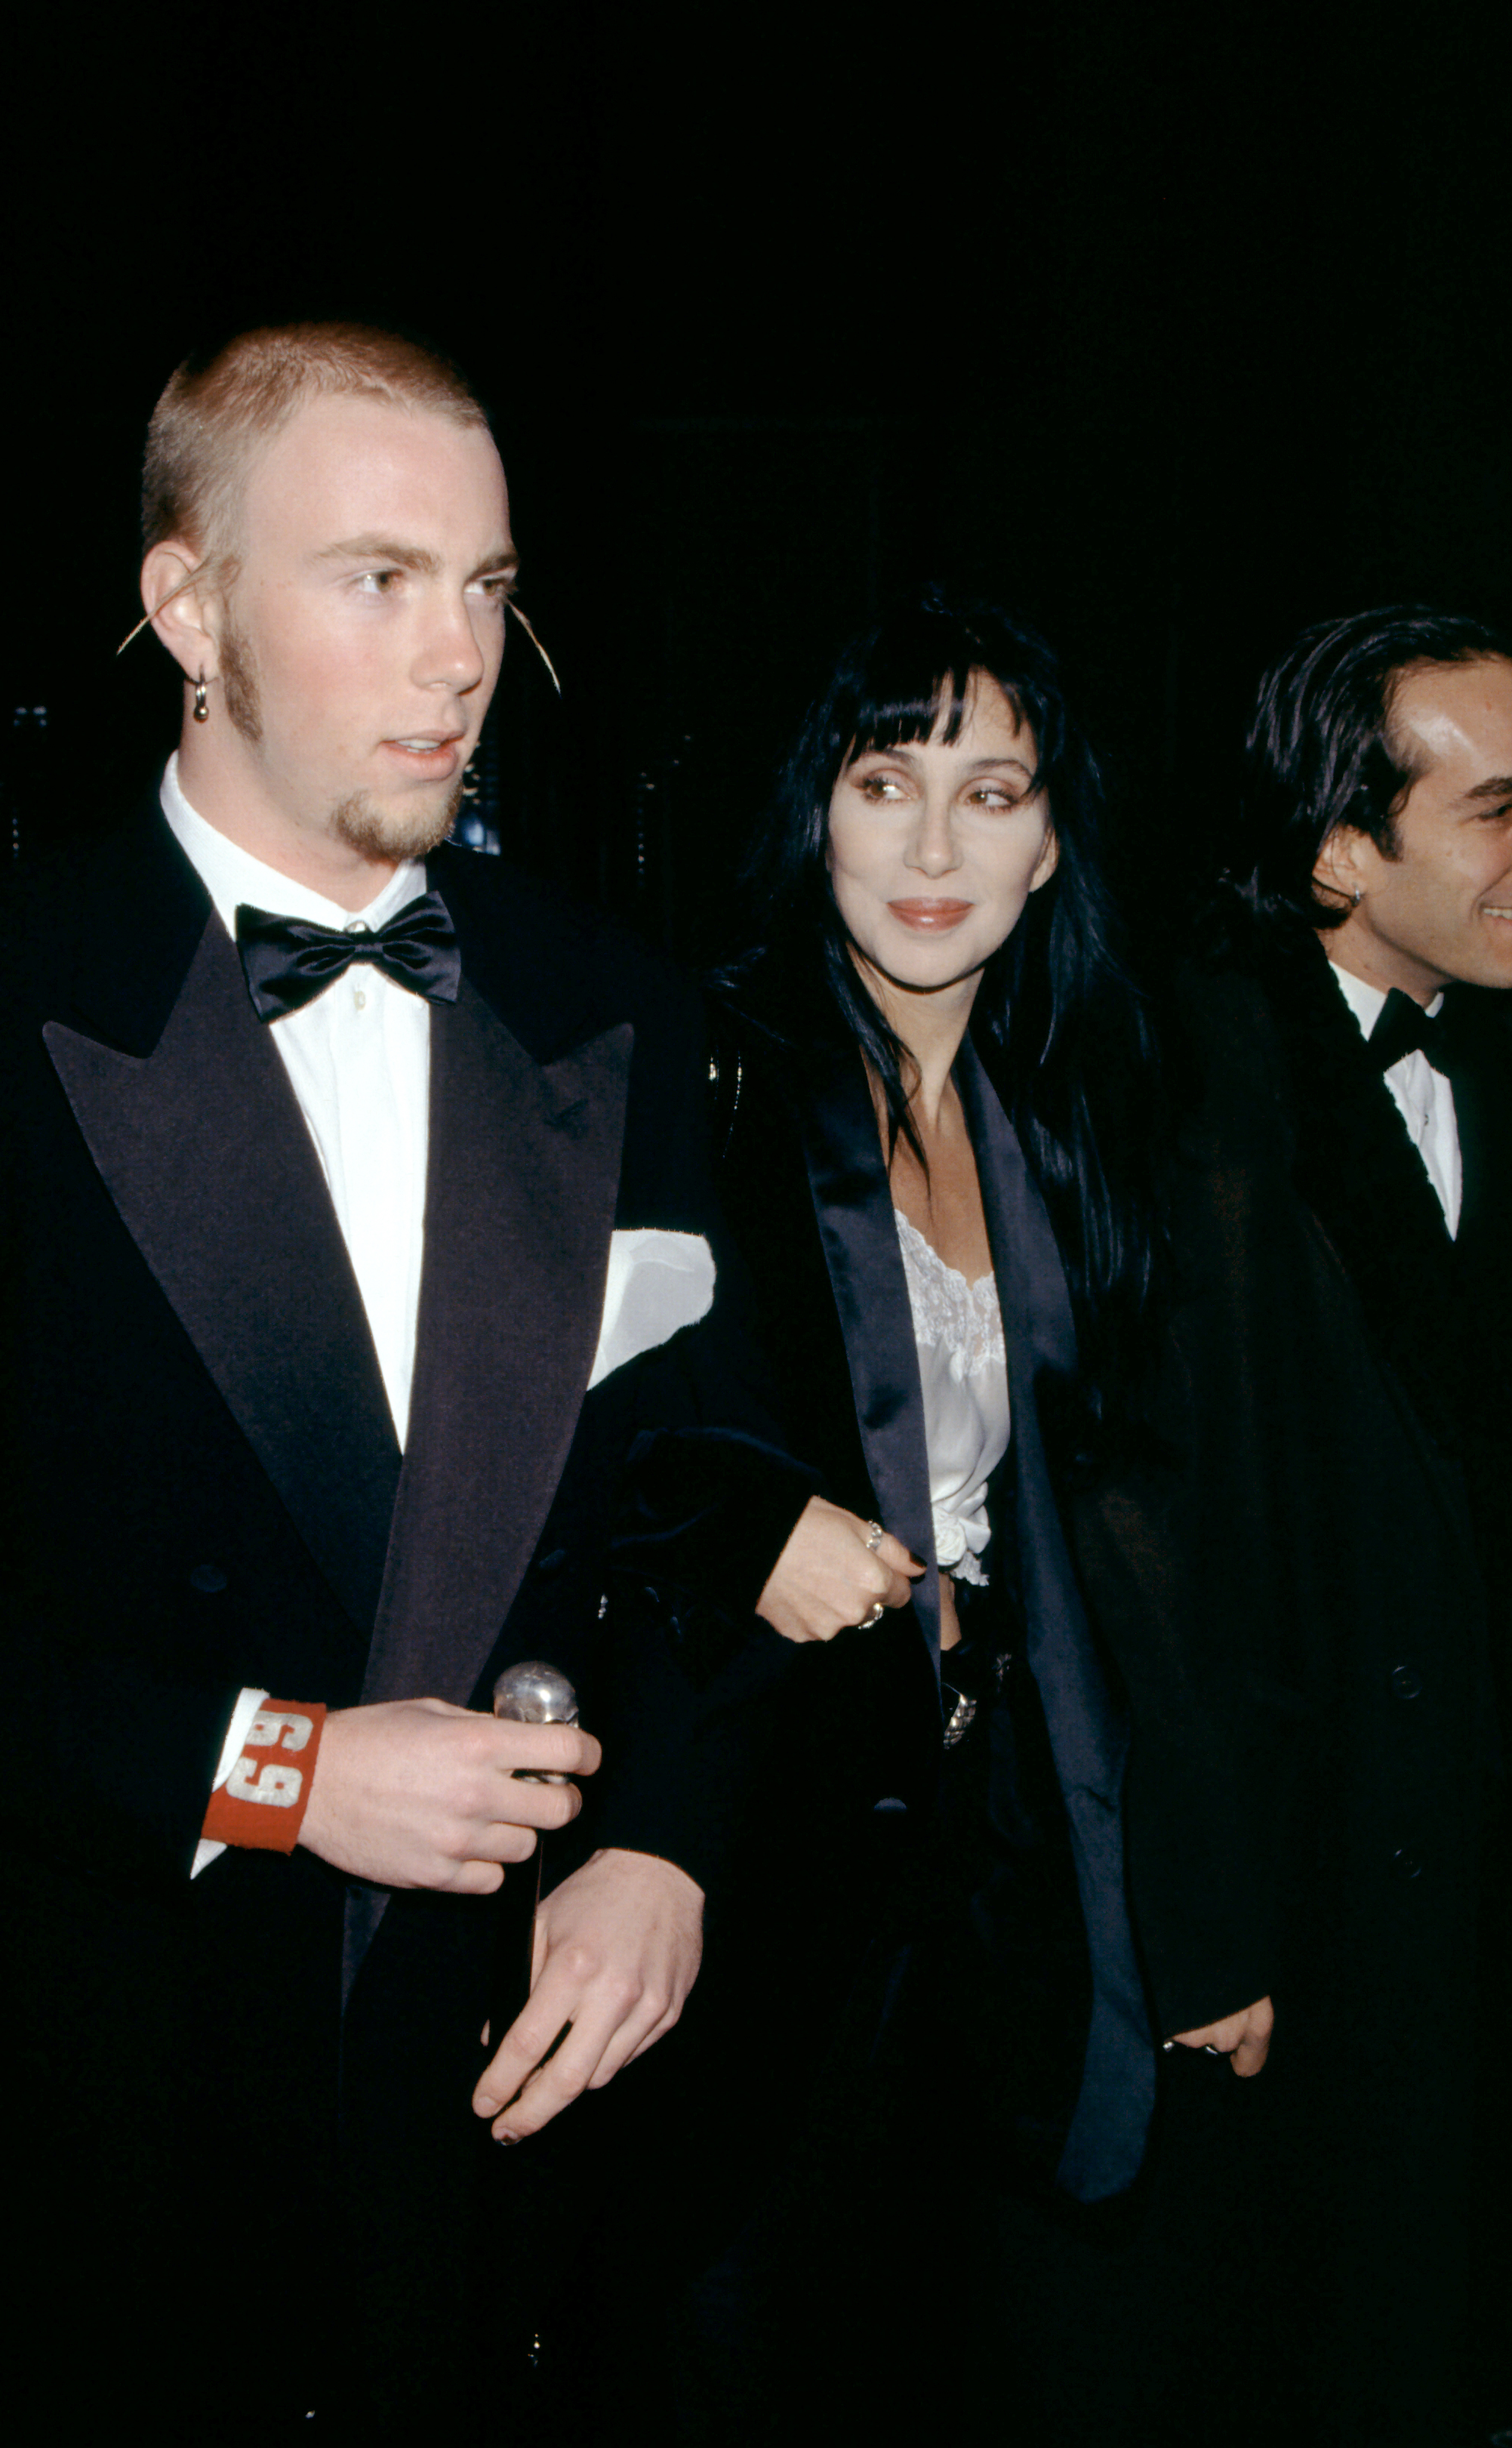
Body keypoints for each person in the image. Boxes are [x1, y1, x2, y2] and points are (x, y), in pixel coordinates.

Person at [0, 321, 864, 2441]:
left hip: (508, 2126)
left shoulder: (619, 1006)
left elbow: (722, 1482)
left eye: (486, 588)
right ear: (187, 606)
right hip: (105, 2127)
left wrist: (664, 1845)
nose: (459, 656)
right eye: (376, 579)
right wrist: (274, 1769)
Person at [656, 590, 1192, 2437]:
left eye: (992, 791)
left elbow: (1141, 1529)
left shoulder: (1070, 1113)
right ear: (818, 810)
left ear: (1053, 842)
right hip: (761, 1816)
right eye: (886, 781)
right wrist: (744, 1527)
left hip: (998, 1835)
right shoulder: (701, 1069)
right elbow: (564, 1429)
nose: (936, 845)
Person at [1062, 606, 1509, 2446]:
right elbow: (1150, 1537)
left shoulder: (1475, 1046)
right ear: (1340, 851)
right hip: (1314, 1889)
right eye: (1498, 809)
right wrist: (1209, 1918)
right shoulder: (1194, 1087)